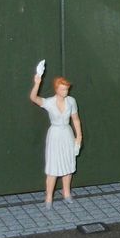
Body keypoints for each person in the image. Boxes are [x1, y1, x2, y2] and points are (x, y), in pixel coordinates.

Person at [29, 73, 83, 207]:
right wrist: (37, 83)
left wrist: (79, 136)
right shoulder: (49, 102)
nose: (66, 91)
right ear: (57, 89)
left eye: (67, 89)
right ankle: (48, 197)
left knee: (68, 165)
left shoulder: (71, 101)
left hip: (67, 134)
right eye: (63, 89)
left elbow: (76, 119)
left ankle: (66, 192)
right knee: (53, 167)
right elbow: (33, 98)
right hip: (55, 135)